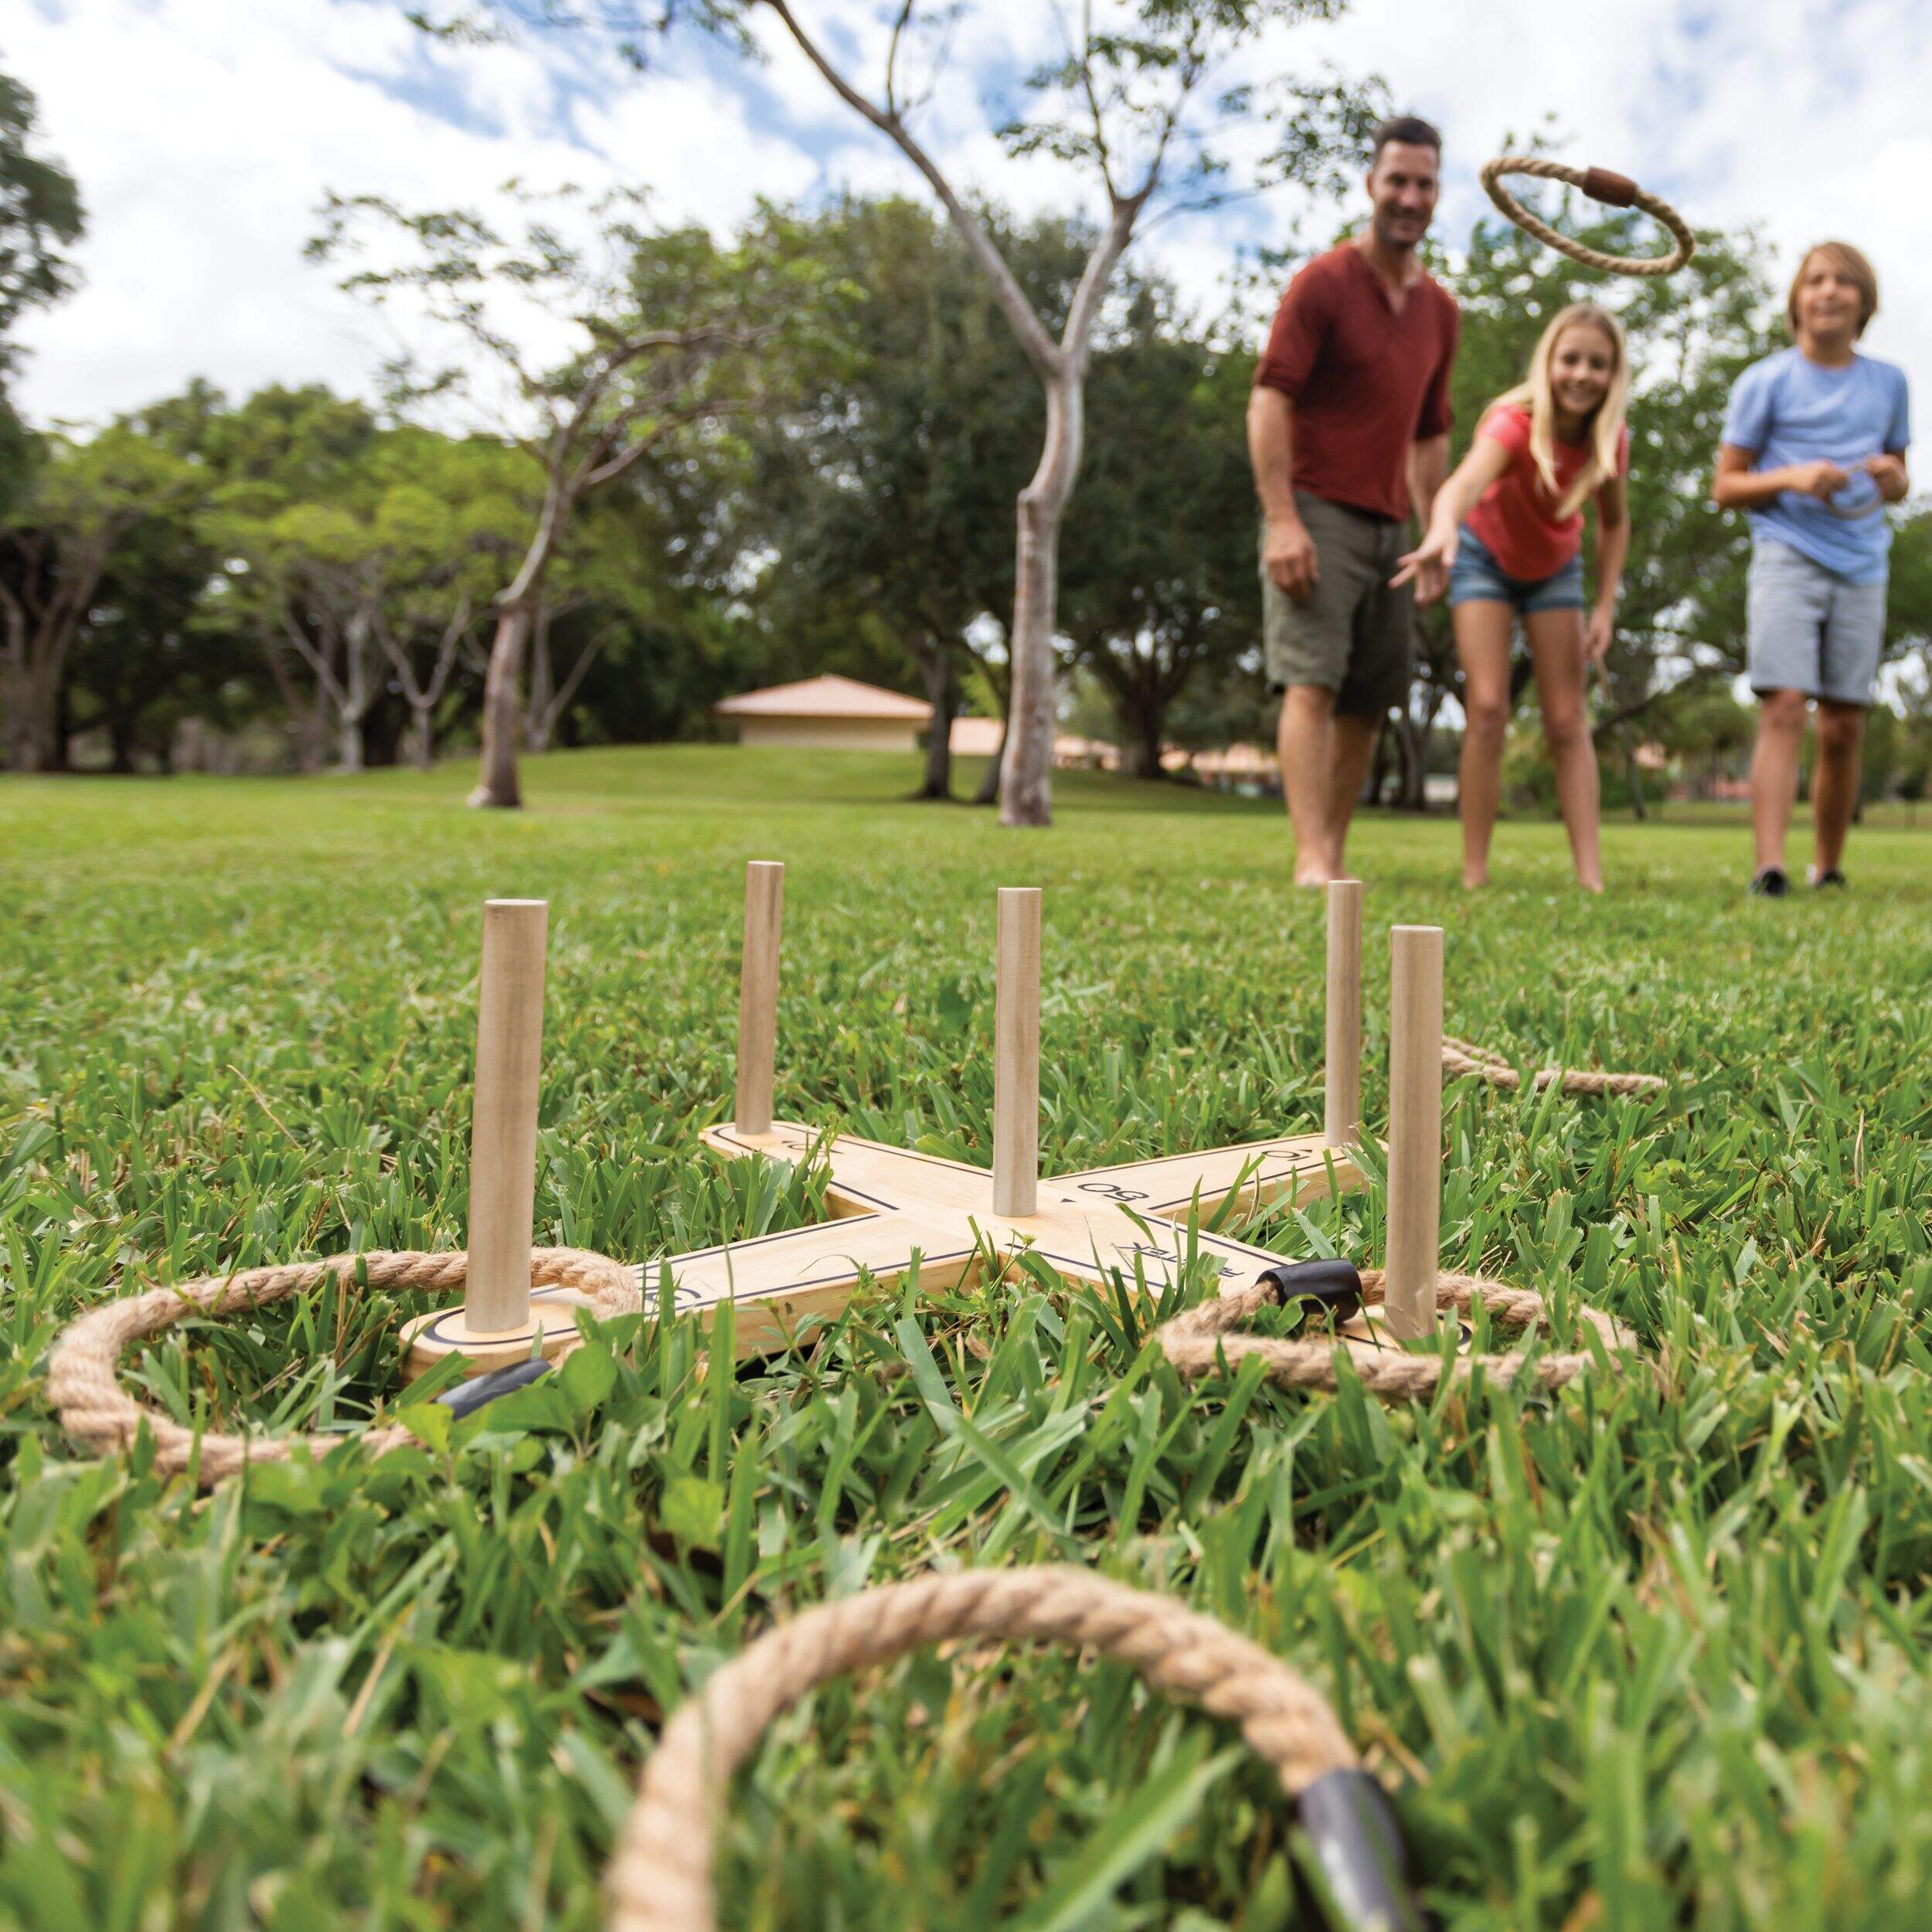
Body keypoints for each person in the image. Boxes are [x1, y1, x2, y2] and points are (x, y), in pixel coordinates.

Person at [1247, 115, 1460, 885]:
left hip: (1391, 524)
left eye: (1423, 183)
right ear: (1370, 184)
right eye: (1396, 180)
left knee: (1369, 701)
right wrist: (1281, 521)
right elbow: (1268, 400)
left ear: (1438, 194)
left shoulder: (1441, 311)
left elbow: (1430, 435)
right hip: (1317, 509)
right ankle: (1309, 858)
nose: (1408, 196)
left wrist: (1433, 530)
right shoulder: (1323, 283)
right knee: (1311, 681)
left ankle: (1333, 854)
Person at [1392, 304, 1631, 891]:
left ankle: (1590, 876)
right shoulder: (1514, 422)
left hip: (1555, 568)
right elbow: (1464, 483)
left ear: (1614, 375)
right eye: (1569, 359)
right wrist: (1442, 529)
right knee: (1490, 707)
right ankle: (1475, 872)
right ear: (1548, 362)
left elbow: (1616, 524)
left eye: (1597, 364)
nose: (1581, 374)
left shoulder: (1611, 441)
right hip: (1482, 558)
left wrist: (1604, 607)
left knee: (1567, 718)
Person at [1713, 240, 1910, 895]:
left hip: (1862, 563)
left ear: (1864, 301)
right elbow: (1726, 486)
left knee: (1845, 724)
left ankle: (1826, 867)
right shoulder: (1764, 381)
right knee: (1785, 707)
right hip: (1787, 555)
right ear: (1797, 299)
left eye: (1844, 281)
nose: (1828, 291)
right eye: (1816, 280)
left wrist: (1890, 478)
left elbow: (1901, 480)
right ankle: (1769, 867)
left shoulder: (1889, 383)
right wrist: (1796, 477)